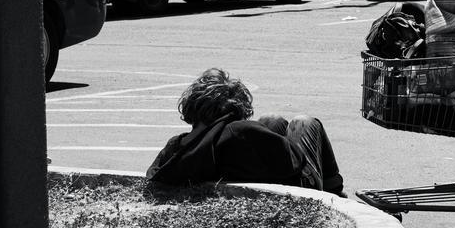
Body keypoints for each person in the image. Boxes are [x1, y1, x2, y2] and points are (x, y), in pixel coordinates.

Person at [146, 68, 345, 195]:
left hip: (231, 178)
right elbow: (294, 160)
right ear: (235, 109)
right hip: (298, 192)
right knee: (305, 122)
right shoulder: (239, 131)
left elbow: (152, 176)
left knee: (271, 120)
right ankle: (334, 191)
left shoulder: (176, 145)